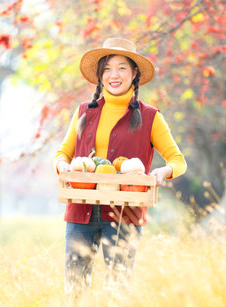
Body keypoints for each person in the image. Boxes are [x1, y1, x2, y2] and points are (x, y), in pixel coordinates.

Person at [53, 37, 187, 296]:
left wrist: (160, 173)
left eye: (122, 68)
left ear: (134, 73)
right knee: (74, 290)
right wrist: (62, 167)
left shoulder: (150, 117)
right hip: (81, 211)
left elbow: (178, 161)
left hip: (125, 215)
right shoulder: (83, 112)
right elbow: (62, 153)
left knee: (118, 291)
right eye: (107, 69)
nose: (114, 75)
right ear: (100, 76)